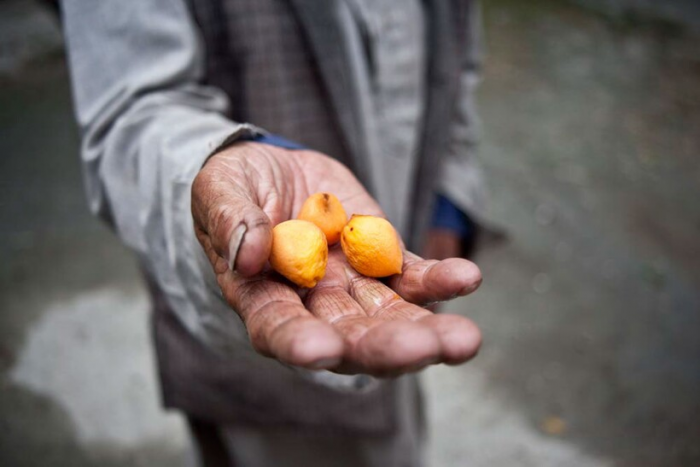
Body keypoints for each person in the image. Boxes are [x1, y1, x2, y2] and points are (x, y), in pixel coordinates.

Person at [61, 0, 487, 465]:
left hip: (396, 289)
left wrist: (447, 205)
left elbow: (459, 61)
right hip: (252, 376)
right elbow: (129, 112)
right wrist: (216, 170)